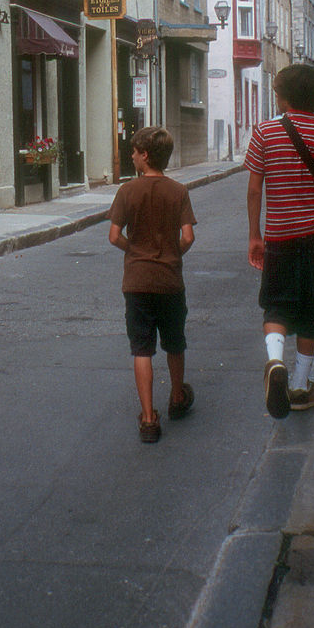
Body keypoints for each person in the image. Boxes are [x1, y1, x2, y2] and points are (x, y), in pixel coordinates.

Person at [246, 64, 314, 419]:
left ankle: (275, 361)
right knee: (312, 311)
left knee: (276, 305)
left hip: (279, 237)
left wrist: (255, 235)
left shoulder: (264, 132)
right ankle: (298, 384)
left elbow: (254, 188)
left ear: (283, 96)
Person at [109, 125, 196, 443]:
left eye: (133, 151)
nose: (131, 155)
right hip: (170, 279)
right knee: (175, 342)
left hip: (137, 280)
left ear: (144, 156)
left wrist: (134, 250)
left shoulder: (126, 192)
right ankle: (176, 397)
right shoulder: (178, 191)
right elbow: (188, 236)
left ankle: (148, 418)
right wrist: (172, 252)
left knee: (141, 348)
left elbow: (114, 236)